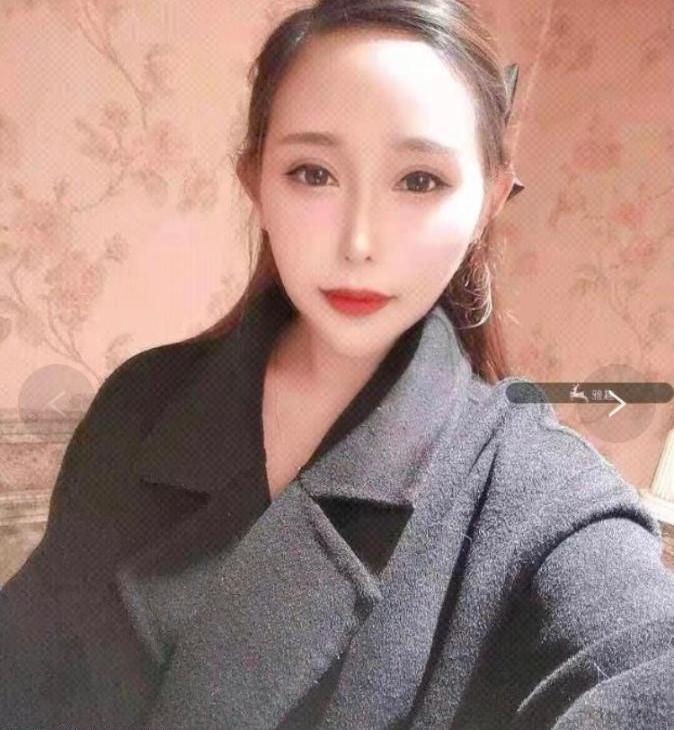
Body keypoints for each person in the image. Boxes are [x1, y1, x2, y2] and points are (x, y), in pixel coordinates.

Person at [2, 1, 673, 728]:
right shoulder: (143, 402)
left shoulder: (535, 493)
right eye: (313, 172)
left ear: (488, 198)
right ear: (255, 180)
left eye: (420, 181)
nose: (359, 242)